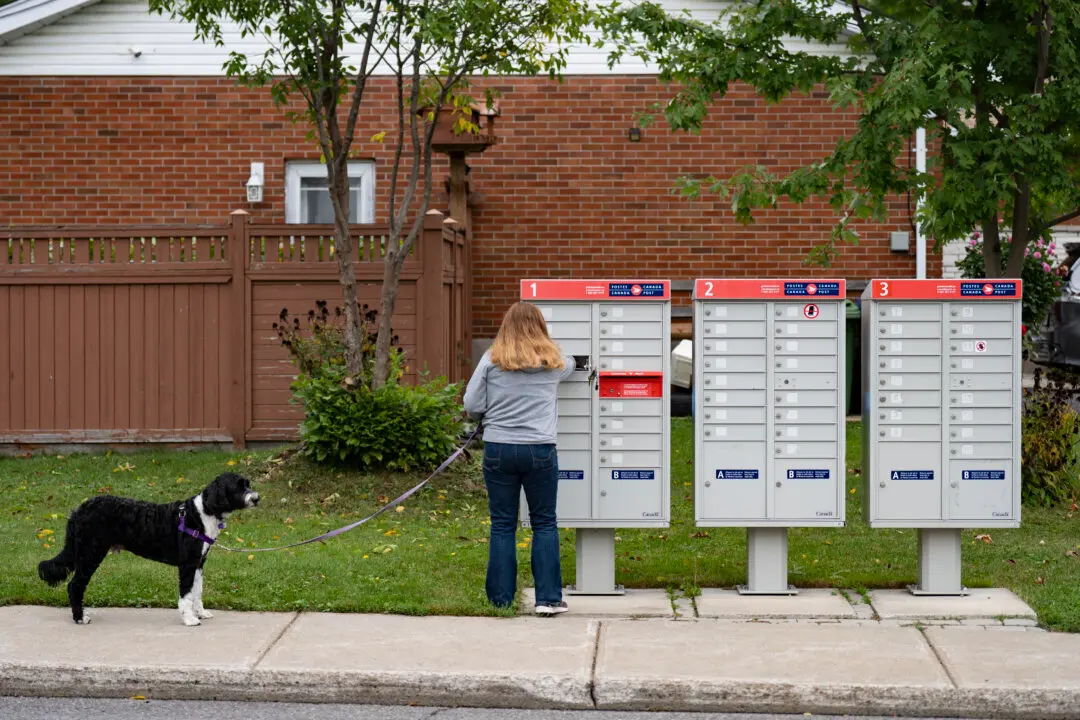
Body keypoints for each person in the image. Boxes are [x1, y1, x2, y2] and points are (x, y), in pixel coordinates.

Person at [463, 302, 576, 616]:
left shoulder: (491, 359)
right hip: (539, 450)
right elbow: (573, 364)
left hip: (499, 449)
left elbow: (471, 403)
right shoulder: (553, 363)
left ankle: (501, 600)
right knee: (544, 523)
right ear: (540, 327)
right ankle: (549, 599)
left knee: (502, 525)